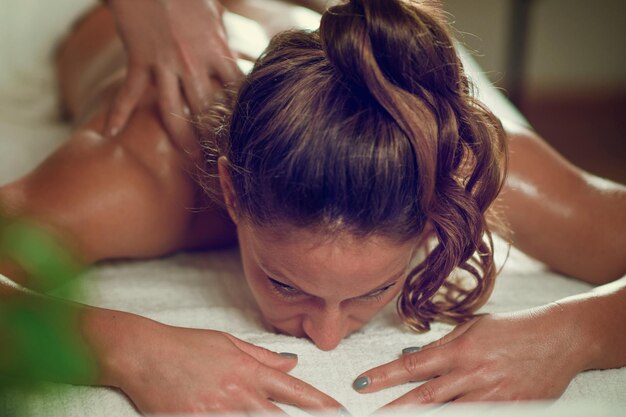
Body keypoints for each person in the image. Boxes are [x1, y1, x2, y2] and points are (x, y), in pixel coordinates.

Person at [0, 0, 624, 414]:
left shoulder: (451, 162)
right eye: (284, 282)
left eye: (373, 289)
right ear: (233, 192)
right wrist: (130, 349)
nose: (328, 338)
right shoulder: (137, 175)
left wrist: (579, 333)